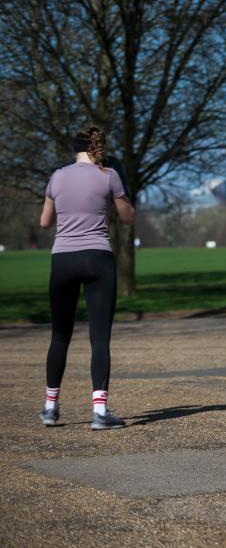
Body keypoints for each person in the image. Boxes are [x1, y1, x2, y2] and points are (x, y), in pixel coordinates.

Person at [39, 126, 135, 430]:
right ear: (100, 147)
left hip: (63, 259)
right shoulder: (109, 175)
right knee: (99, 337)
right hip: (98, 258)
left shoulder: (57, 176)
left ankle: (50, 408)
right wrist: (121, 188)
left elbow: (44, 222)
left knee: (60, 335)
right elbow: (128, 218)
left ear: (74, 148)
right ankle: (100, 412)